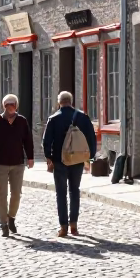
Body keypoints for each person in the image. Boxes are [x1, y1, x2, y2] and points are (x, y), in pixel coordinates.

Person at [42, 92, 96, 238]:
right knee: (74, 191)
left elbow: (46, 141)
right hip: (77, 160)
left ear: (59, 102)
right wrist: (89, 157)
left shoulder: (53, 119)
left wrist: (49, 157)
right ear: (71, 102)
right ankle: (74, 225)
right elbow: (91, 138)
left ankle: (63, 227)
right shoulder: (82, 117)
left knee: (61, 193)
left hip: (60, 161)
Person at [0, 95, 34, 237]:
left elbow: (28, 140)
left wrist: (30, 157)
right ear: (3, 106)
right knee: (2, 195)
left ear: (16, 106)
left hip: (18, 163)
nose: (9, 106)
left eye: (12, 104)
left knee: (16, 194)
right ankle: (3, 224)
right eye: (7, 104)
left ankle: (11, 217)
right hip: (0, 163)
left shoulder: (22, 121)